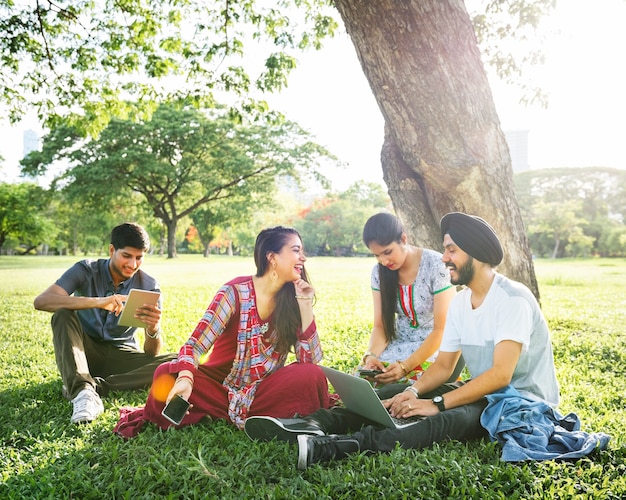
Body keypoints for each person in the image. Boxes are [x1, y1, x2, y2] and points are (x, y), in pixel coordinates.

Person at [244, 212, 563, 469]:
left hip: (519, 400)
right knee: (391, 395)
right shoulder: (463, 303)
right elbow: (443, 366)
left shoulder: (512, 299)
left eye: (452, 250)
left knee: (448, 418)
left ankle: (337, 447)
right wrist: (410, 391)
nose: (445, 258)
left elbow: (500, 376)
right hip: (484, 391)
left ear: (476, 253)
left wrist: (435, 403)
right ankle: (312, 423)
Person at [113, 226, 333, 438]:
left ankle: (224, 415)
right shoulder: (234, 292)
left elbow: (310, 361)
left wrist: (304, 303)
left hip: (264, 390)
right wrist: (186, 379)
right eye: (296, 250)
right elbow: (195, 345)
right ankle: (259, 416)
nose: (303, 258)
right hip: (219, 388)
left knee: (312, 375)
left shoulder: (293, 297)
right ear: (272, 257)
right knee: (165, 375)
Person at [34, 222, 176, 424]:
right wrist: (99, 302)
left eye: (139, 258)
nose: (132, 264)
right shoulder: (86, 270)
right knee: (63, 314)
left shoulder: (149, 286)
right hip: (84, 352)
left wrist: (153, 329)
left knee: (180, 361)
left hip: (123, 358)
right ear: (112, 250)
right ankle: (83, 393)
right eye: (126, 256)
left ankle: (96, 388)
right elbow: (42, 301)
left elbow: (151, 354)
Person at [358, 212, 459, 386]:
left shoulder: (436, 266)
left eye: (387, 252)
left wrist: (406, 366)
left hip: (433, 346)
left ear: (404, 239)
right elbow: (380, 326)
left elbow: (441, 330)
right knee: (364, 383)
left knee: (402, 387)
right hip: (398, 343)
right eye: (377, 255)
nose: (383, 261)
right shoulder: (379, 273)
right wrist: (371, 357)